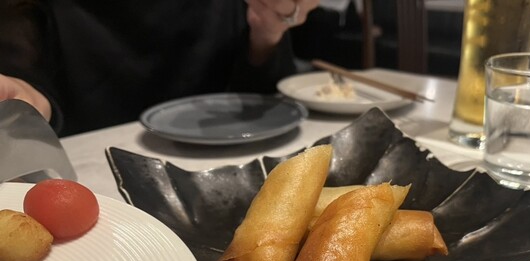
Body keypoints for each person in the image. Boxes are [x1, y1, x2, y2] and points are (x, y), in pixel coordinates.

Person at [0, 0, 319, 136]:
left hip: (230, 159)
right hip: (90, 188)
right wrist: (26, 101)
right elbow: (29, 87)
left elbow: (266, 96)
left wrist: (267, 32)